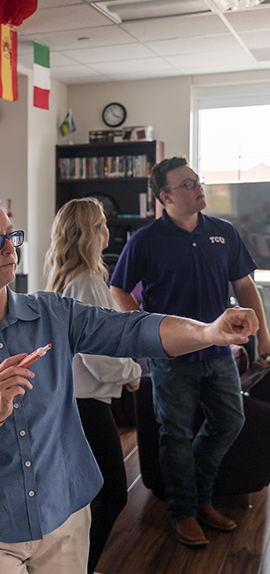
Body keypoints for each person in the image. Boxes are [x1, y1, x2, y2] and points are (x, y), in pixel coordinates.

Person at [0, 191, 258, 574]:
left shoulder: (53, 313)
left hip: (65, 517)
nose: (10, 248)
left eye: (12, 235)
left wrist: (209, 331)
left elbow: (133, 330)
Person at [109, 155, 270, 548]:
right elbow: (119, 289)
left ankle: (198, 495)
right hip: (172, 358)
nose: (198, 188)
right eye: (187, 184)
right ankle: (184, 511)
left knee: (230, 421)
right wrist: (143, 335)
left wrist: (264, 336)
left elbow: (246, 287)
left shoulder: (224, 232)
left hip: (220, 353)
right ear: (164, 197)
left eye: (197, 181)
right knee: (175, 434)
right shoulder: (145, 240)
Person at [44, 197, 142, 573]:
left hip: (71, 403)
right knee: (113, 493)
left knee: (81, 496)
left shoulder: (65, 278)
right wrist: (132, 374)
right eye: (100, 224)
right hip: (87, 405)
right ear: (85, 233)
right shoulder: (87, 282)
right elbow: (100, 356)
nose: (107, 231)